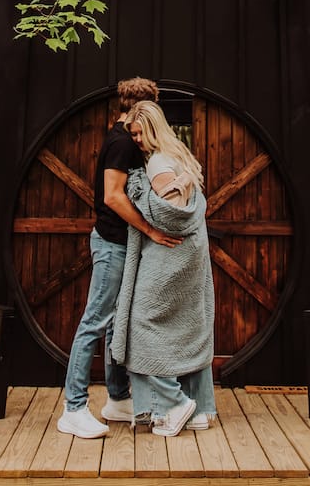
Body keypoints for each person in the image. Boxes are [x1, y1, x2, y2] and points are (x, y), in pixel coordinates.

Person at [57, 78, 183, 440]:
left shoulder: (124, 137)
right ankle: (73, 409)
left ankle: (116, 398)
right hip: (112, 243)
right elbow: (113, 196)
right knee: (94, 322)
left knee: (116, 323)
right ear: (144, 108)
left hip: (122, 243)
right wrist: (151, 230)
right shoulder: (123, 142)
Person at [111, 100, 216, 437]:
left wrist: (139, 195)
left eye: (140, 133)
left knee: (140, 325)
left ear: (154, 130)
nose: (136, 140)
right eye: (133, 134)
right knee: (189, 328)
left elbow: (171, 216)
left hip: (169, 255)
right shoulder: (179, 155)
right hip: (192, 253)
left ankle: (173, 403)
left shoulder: (157, 163)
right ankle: (201, 410)